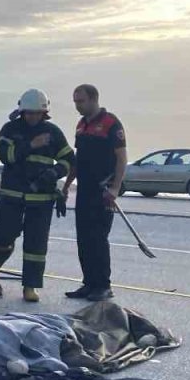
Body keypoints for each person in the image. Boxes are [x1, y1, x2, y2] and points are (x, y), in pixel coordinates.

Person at [0, 89, 76, 303]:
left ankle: (30, 286)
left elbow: (69, 160)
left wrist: (55, 172)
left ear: (44, 112)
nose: (32, 117)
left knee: (36, 244)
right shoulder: (10, 129)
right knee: (4, 234)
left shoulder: (53, 132)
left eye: (37, 113)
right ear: (21, 111)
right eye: (29, 113)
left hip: (42, 199)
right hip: (12, 195)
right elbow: (5, 155)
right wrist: (31, 145)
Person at [63, 84, 126, 301]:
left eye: (80, 101)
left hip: (103, 191)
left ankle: (103, 285)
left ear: (93, 99)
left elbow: (121, 158)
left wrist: (116, 188)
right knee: (84, 239)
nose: (77, 106)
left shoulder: (111, 123)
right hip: (85, 190)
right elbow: (77, 161)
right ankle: (89, 283)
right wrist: (66, 186)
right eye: (75, 102)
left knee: (98, 238)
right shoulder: (81, 125)